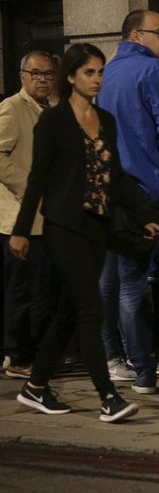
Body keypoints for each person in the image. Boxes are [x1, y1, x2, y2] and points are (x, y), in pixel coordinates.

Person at [9, 43, 159, 422]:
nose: (97, 79)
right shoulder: (54, 121)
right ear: (72, 77)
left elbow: (115, 179)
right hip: (63, 228)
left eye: (99, 72)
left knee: (68, 311)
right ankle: (108, 396)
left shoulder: (105, 120)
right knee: (90, 309)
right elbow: (37, 180)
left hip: (98, 227)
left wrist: (147, 211)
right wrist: (21, 230)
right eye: (89, 73)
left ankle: (35, 386)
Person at [97, 9, 159, 394]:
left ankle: (139, 371)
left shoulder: (106, 74)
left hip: (114, 193)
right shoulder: (155, 72)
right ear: (137, 36)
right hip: (155, 192)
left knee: (125, 283)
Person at [0, 51, 57, 380]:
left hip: (44, 219)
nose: (42, 79)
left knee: (41, 289)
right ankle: (17, 355)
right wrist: (28, 185)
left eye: (48, 74)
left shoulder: (49, 109)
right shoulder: (12, 107)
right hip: (18, 219)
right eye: (35, 73)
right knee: (21, 290)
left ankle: (34, 351)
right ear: (22, 76)